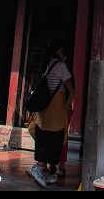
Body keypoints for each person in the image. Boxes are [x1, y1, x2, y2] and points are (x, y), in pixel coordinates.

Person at [27, 38, 74, 187]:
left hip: (44, 105)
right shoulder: (61, 66)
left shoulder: (46, 64)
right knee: (55, 137)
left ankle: (45, 170)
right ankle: (39, 166)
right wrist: (68, 104)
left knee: (43, 135)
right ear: (58, 51)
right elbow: (70, 88)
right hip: (55, 105)